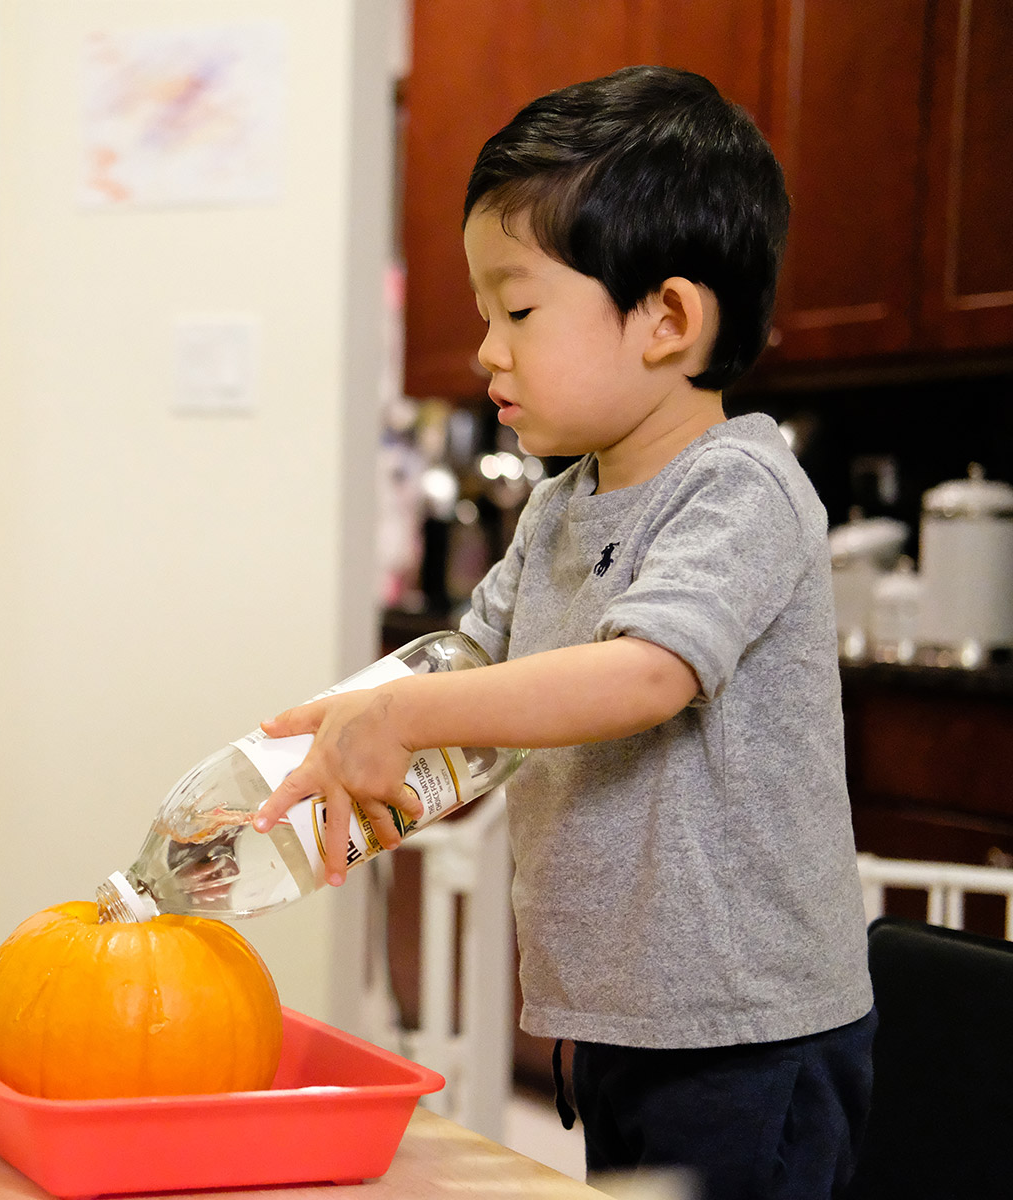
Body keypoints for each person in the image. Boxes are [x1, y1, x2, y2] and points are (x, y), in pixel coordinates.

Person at [252, 66, 874, 1199]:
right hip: (619, 1017)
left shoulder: (744, 484)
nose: (488, 348)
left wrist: (402, 714)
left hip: (746, 1034)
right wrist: (337, 733)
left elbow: (641, 677)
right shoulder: (558, 507)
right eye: (487, 314)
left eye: (520, 310)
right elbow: (471, 667)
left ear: (669, 319)